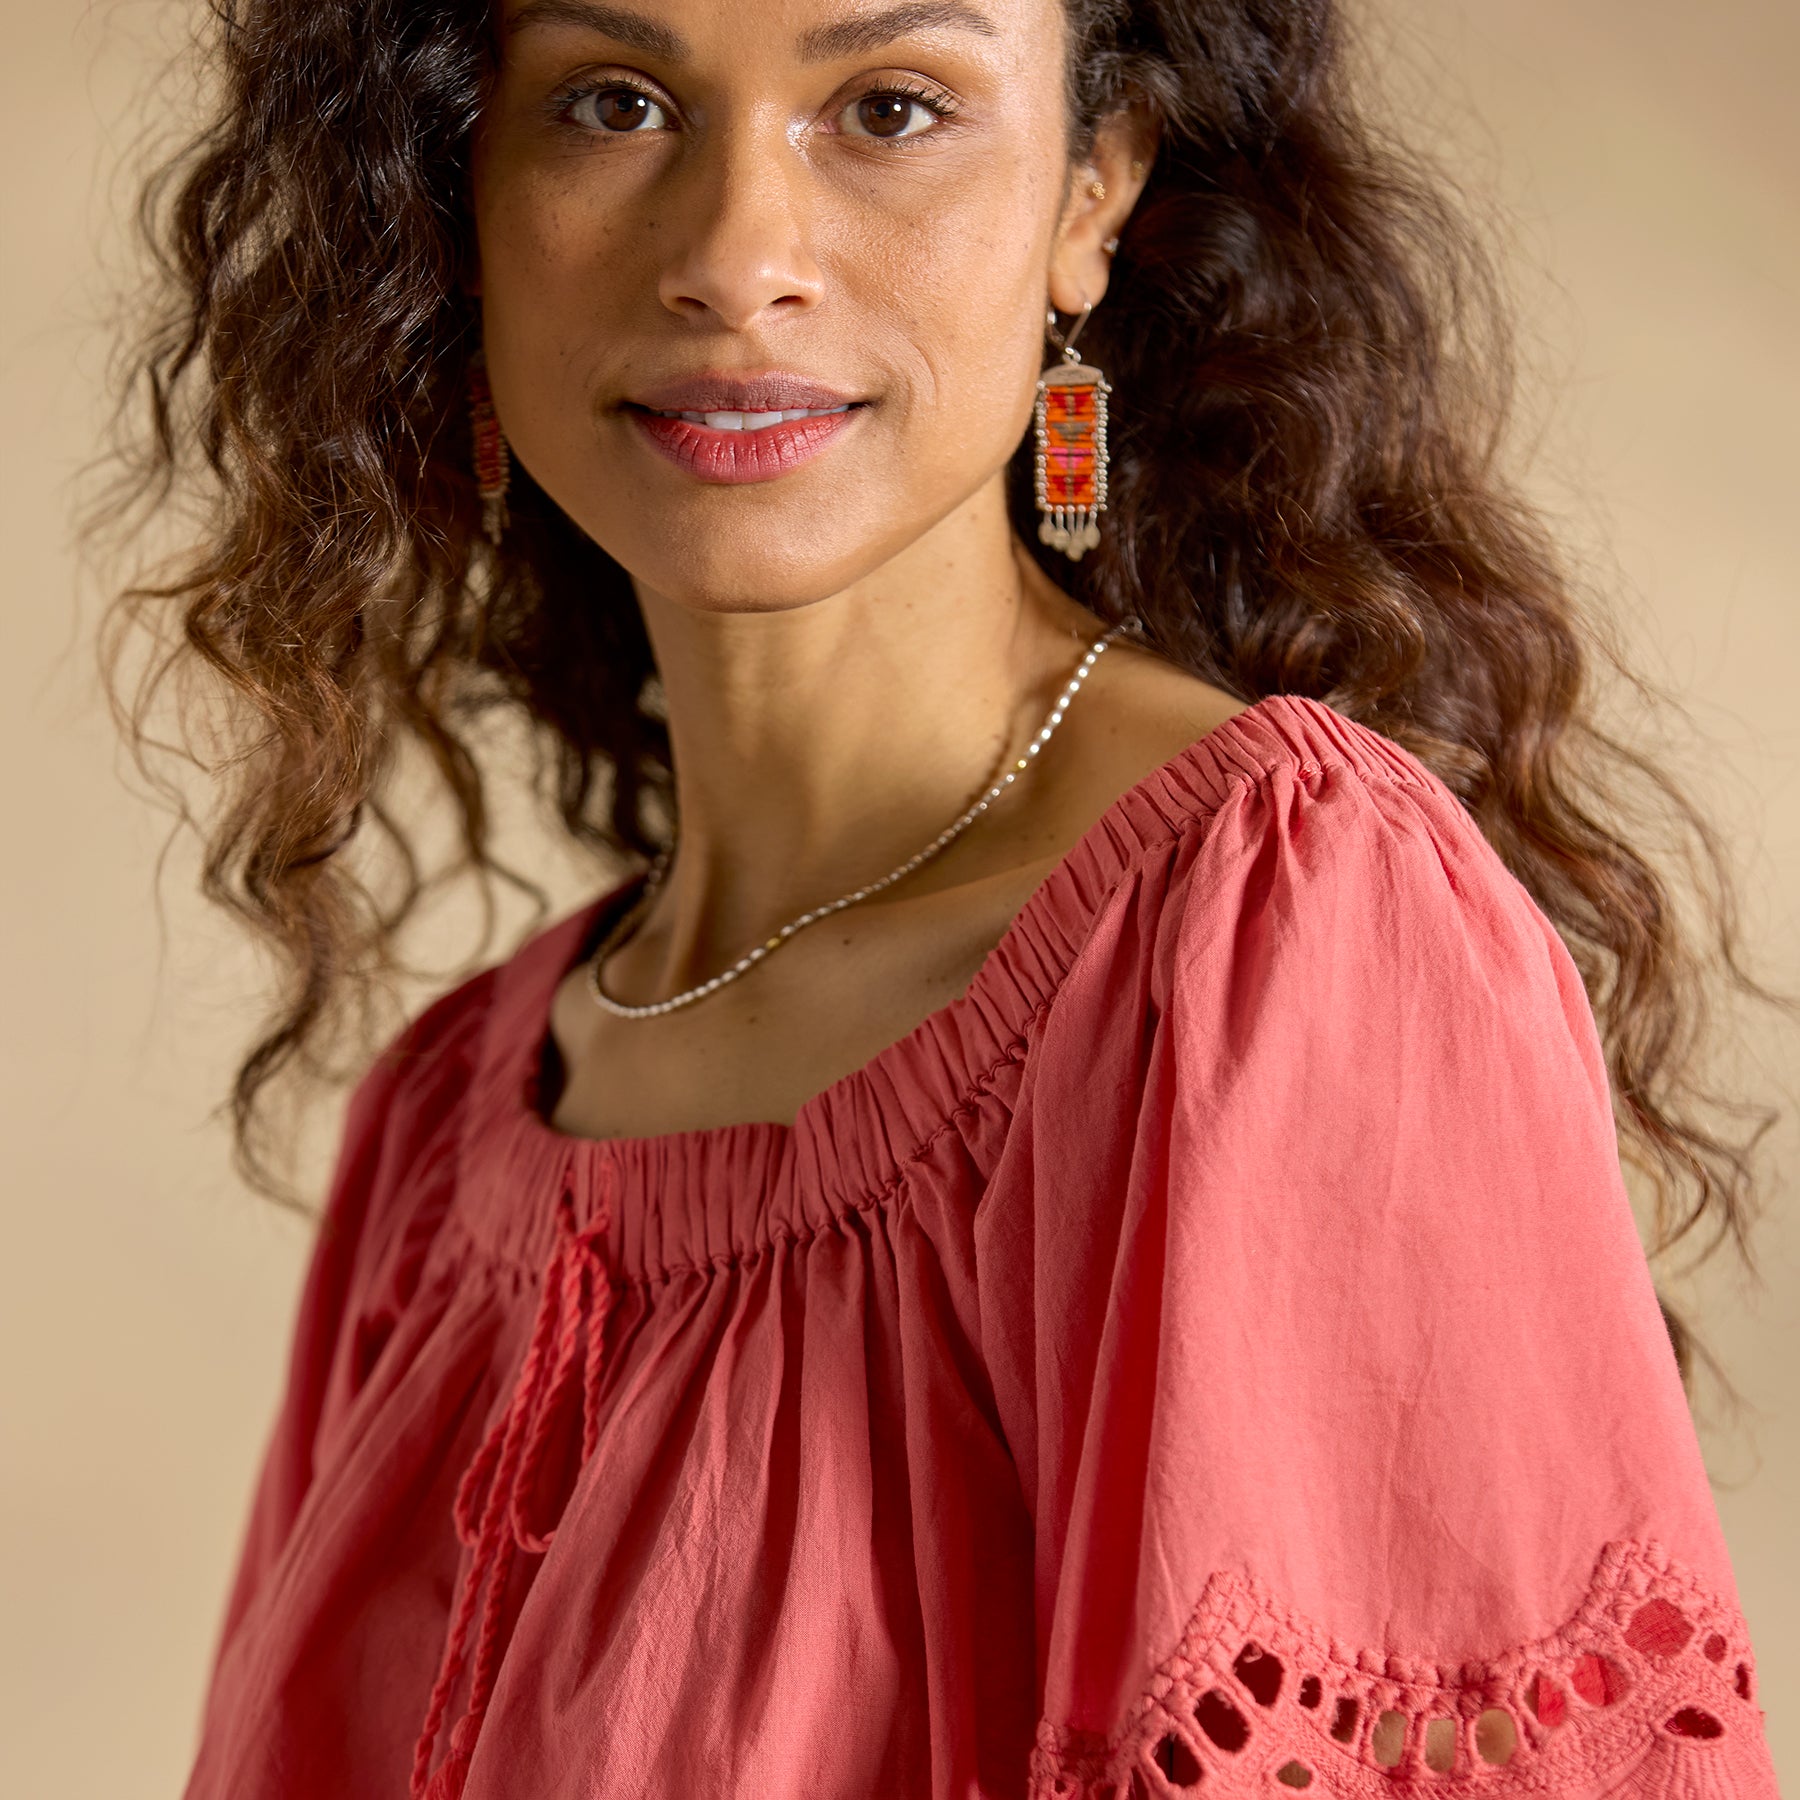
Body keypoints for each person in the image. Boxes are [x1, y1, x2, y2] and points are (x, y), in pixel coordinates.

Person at [109, 0, 1782, 1792]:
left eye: (892, 107)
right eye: (613, 103)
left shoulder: (1267, 947)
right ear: (454, 194)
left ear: (1092, 193)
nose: (736, 257)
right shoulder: (449, 1133)